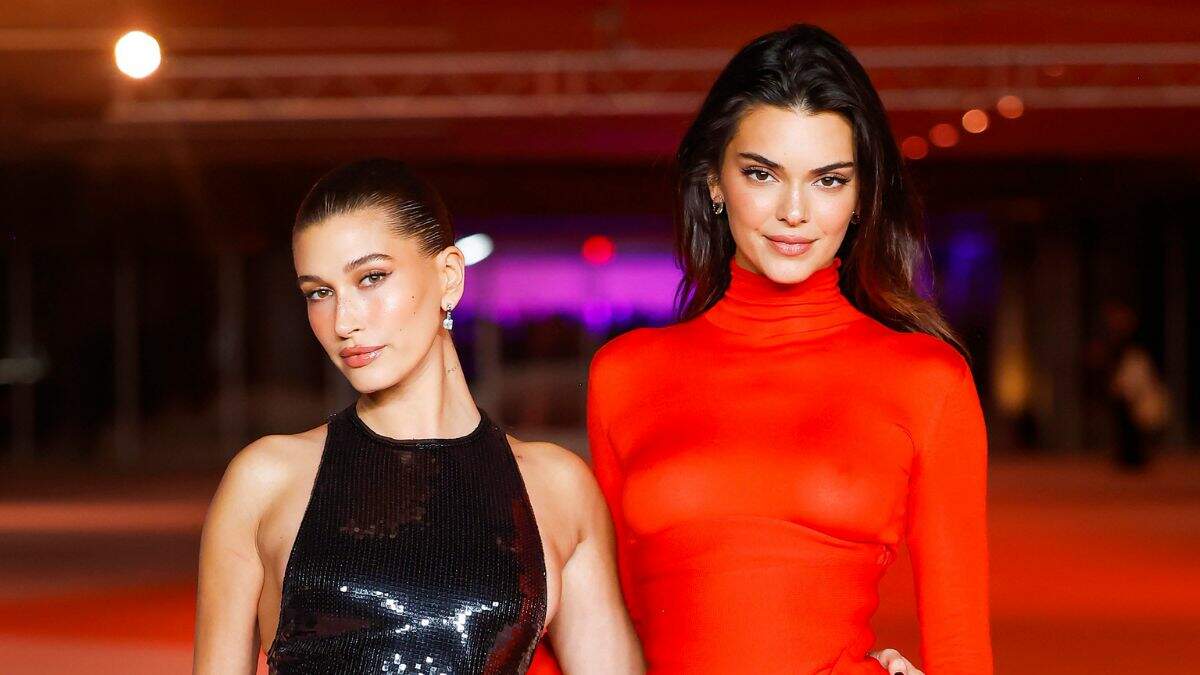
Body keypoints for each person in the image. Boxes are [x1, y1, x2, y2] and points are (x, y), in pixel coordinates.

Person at [586, 25, 991, 674]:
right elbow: (606, 630)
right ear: (714, 182)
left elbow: (961, 643)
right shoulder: (625, 373)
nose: (794, 211)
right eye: (762, 174)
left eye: (828, 180)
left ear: (861, 196)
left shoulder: (928, 380)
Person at [193, 159, 642, 674]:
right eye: (319, 292)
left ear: (449, 276)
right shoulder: (265, 480)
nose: (343, 321)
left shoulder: (557, 487)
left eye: (371, 277)